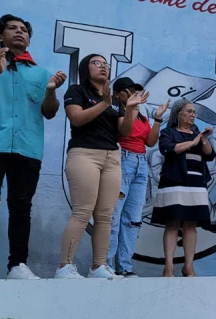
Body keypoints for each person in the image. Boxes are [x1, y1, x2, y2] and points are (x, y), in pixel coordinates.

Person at [0, 14, 66, 280]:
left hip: (27, 149)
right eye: (12, 28)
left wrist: (52, 90)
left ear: (29, 39)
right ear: (0, 36)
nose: (19, 32)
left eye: (24, 30)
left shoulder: (41, 72)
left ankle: (17, 266)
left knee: (22, 207)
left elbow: (50, 112)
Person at [55, 54, 148, 279]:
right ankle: (65, 266)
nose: (103, 67)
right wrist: (105, 103)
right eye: (97, 63)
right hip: (85, 153)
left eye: (106, 64)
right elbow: (76, 119)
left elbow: (123, 132)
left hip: (112, 157)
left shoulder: (113, 102)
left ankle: (98, 266)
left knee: (105, 215)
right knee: (83, 211)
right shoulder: (77, 91)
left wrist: (131, 109)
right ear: (86, 69)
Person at [106, 77, 169, 278]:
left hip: (141, 163)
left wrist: (158, 119)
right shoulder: (116, 110)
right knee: (114, 216)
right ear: (117, 94)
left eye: (135, 90)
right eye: (128, 90)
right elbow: (123, 131)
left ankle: (124, 266)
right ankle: (105, 265)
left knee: (133, 218)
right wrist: (131, 108)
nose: (133, 93)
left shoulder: (141, 116)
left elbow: (150, 142)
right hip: (123, 159)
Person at [152, 99, 215, 277]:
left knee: (191, 225)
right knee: (172, 223)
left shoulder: (197, 134)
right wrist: (192, 143)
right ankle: (169, 267)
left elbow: (210, 155)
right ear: (178, 113)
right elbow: (167, 149)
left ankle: (188, 266)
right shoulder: (168, 132)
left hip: (196, 184)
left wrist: (203, 140)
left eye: (194, 112)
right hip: (174, 182)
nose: (193, 115)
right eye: (189, 111)